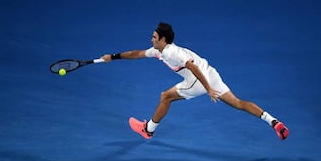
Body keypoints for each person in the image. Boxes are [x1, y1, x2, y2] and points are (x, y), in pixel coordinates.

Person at [101, 22, 289, 140]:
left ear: (163, 39)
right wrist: (114, 56)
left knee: (166, 97)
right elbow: (137, 54)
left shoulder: (172, 53)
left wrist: (208, 89)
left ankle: (148, 130)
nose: (151, 39)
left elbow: (192, 67)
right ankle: (273, 122)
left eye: (154, 37)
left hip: (200, 79)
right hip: (212, 72)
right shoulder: (159, 50)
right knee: (238, 103)